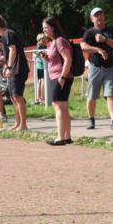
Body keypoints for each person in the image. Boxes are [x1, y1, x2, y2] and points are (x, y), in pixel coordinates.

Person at [81, 7, 113, 130]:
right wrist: (98, 49)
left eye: (101, 14)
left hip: (110, 67)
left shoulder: (111, 30)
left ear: (104, 16)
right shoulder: (89, 33)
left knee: (111, 94)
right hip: (95, 67)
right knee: (92, 96)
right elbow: (83, 46)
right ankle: (91, 119)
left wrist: (105, 40)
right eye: (96, 15)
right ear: (92, 19)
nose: (99, 17)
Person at [42, 16, 73, 145]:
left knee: (58, 105)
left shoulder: (60, 41)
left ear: (53, 27)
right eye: (43, 28)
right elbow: (56, 59)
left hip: (61, 77)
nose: (44, 30)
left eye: (46, 27)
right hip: (59, 76)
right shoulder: (53, 42)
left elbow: (68, 59)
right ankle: (66, 137)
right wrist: (47, 58)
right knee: (63, 106)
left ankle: (60, 137)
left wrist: (62, 77)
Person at [0, 16, 29, 131]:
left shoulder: (8, 33)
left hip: (18, 69)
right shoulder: (5, 35)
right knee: (13, 97)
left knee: (17, 97)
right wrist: (5, 63)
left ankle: (23, 125)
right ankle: (18, 123)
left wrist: (9, 67)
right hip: (14, 69)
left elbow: (13, 49)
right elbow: (10, 52)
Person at [34, 33, 47, 104]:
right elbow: (42, 56)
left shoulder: (37, 47)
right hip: (42, 66)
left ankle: (39, 97)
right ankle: (43, 97)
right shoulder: (42, 47)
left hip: (38, 66)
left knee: (39, 80)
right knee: (43, 80)